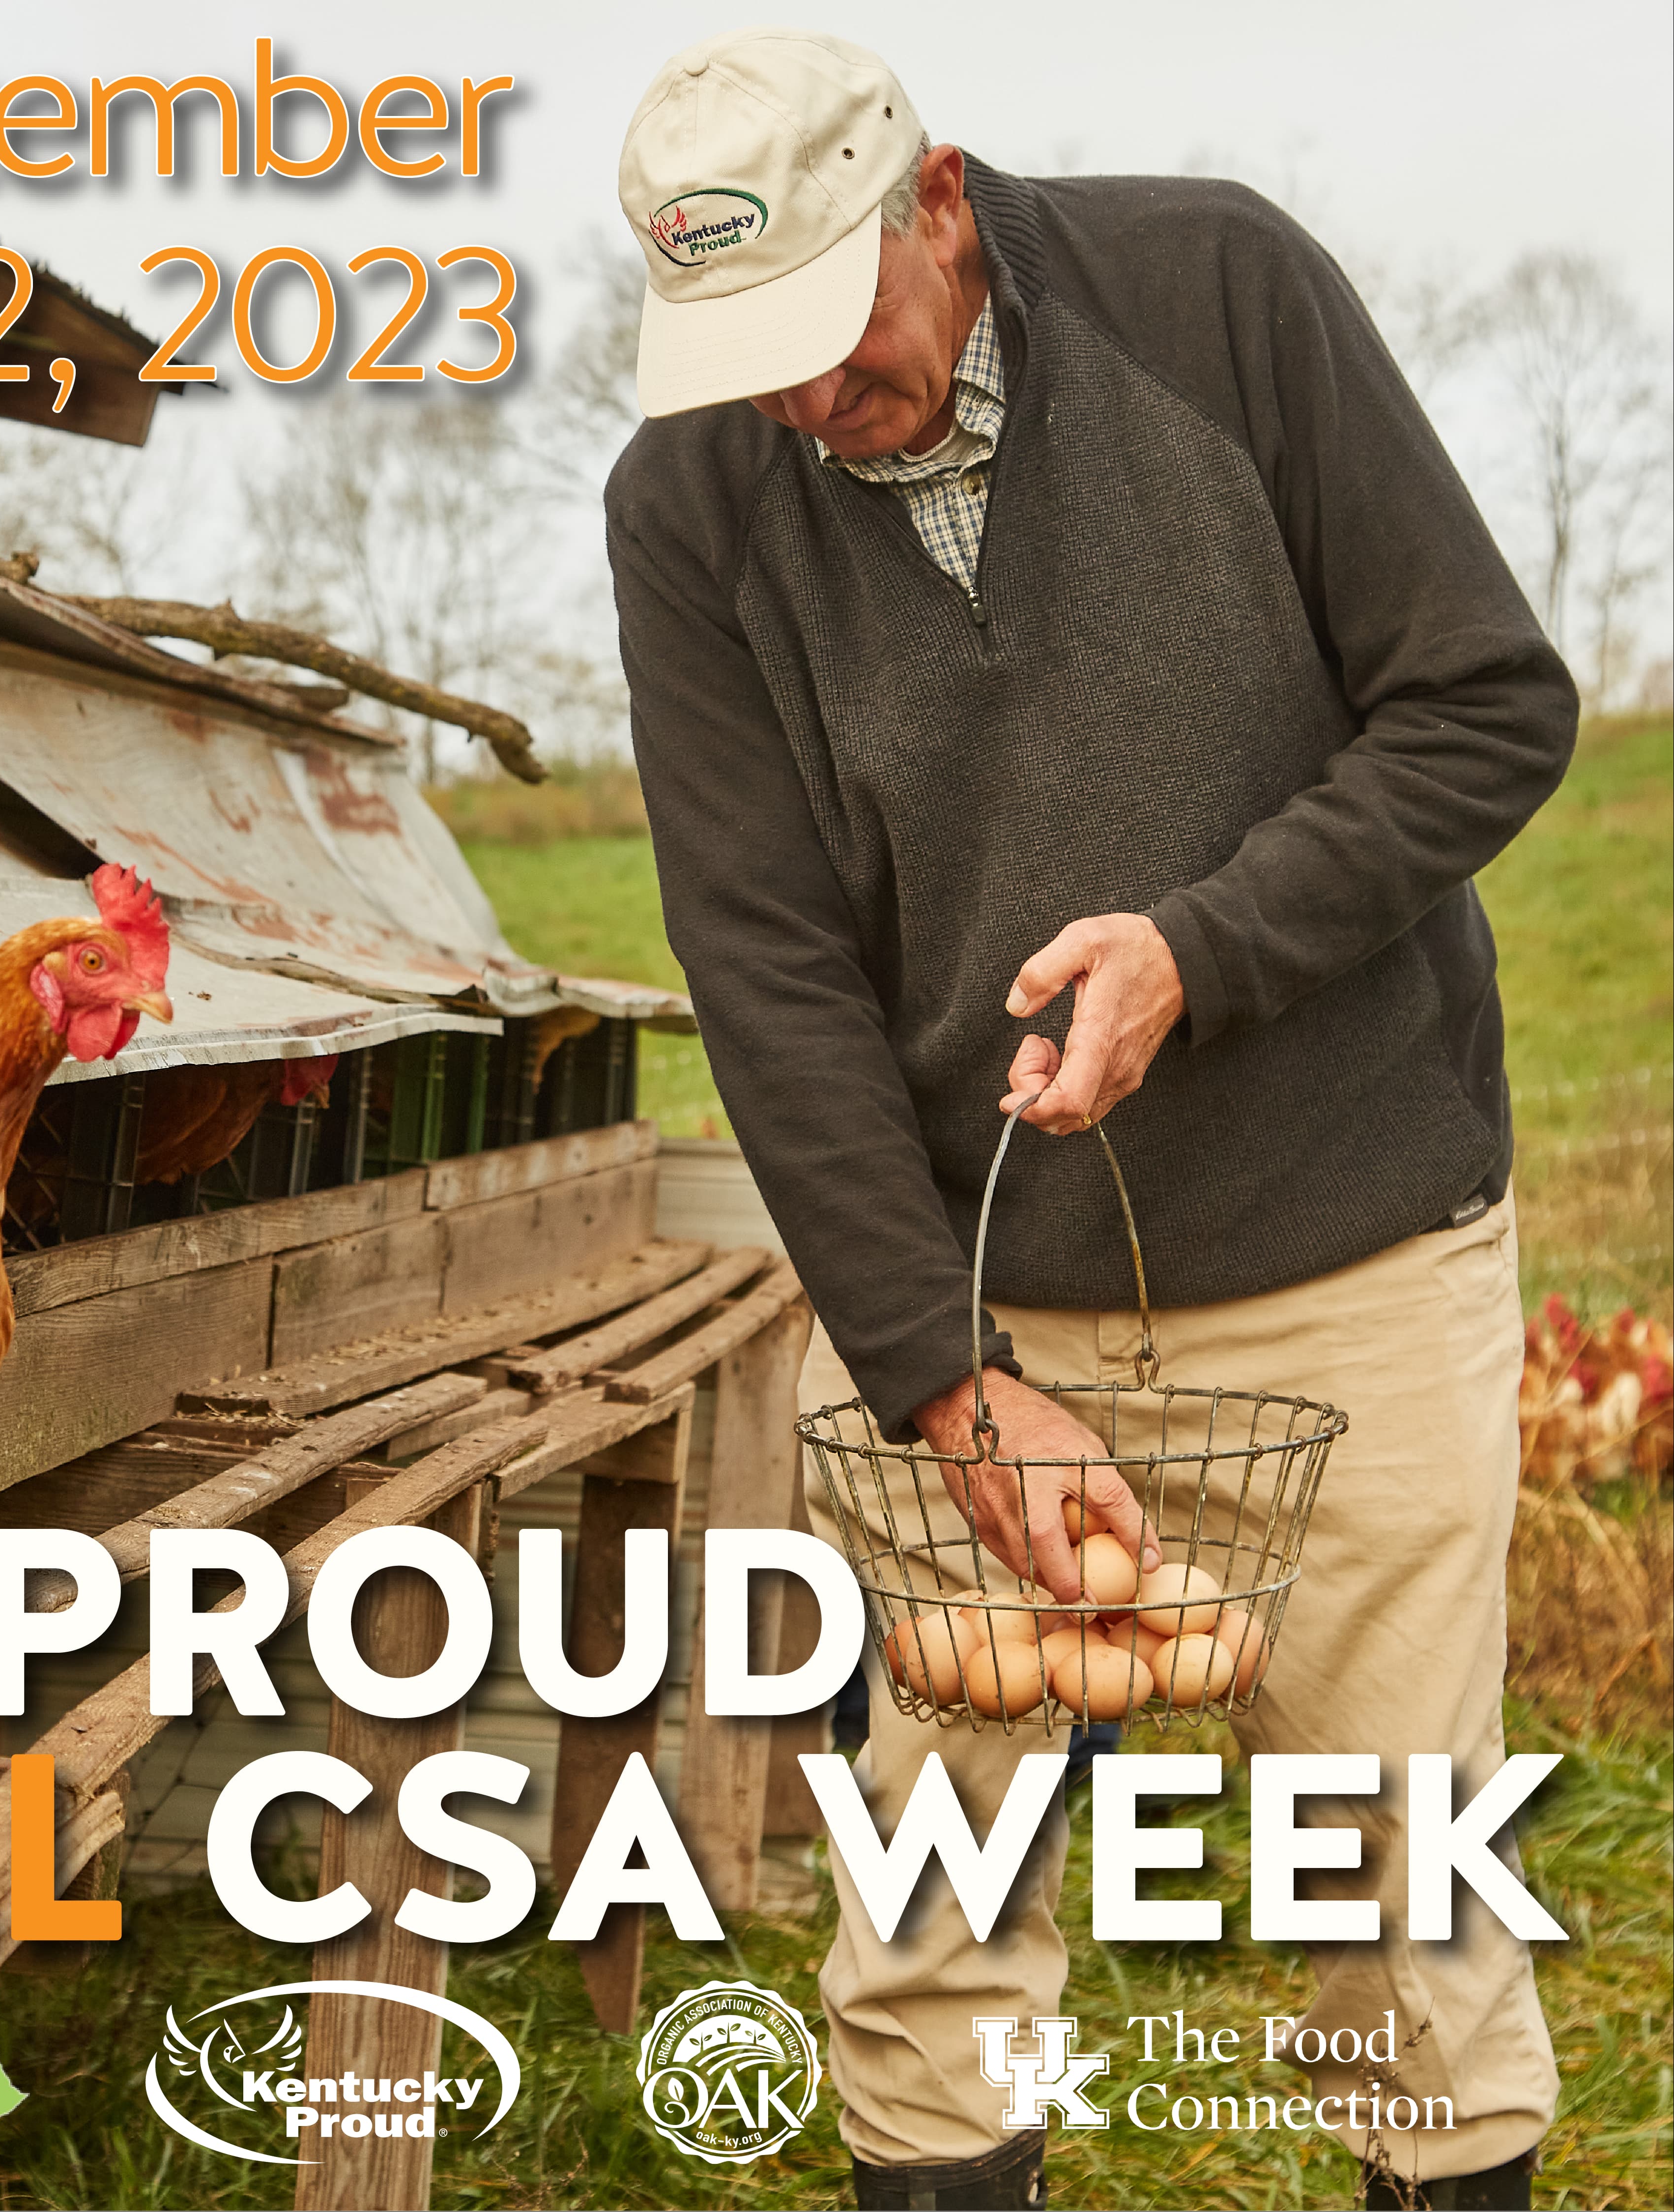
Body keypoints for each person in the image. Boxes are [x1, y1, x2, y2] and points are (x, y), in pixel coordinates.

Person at [606, 28, 1574, 2212]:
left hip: (1352, 1247)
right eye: (738, 360)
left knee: (1398, 1902)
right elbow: (770, 985)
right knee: (933, 1919)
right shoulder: (686, 507)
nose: (797, 407)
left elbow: (1487, 708)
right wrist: (954, 1395)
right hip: (999, 1327)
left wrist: (1196, 953)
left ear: (934, 201)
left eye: (831, 341)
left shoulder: (1225, 298)